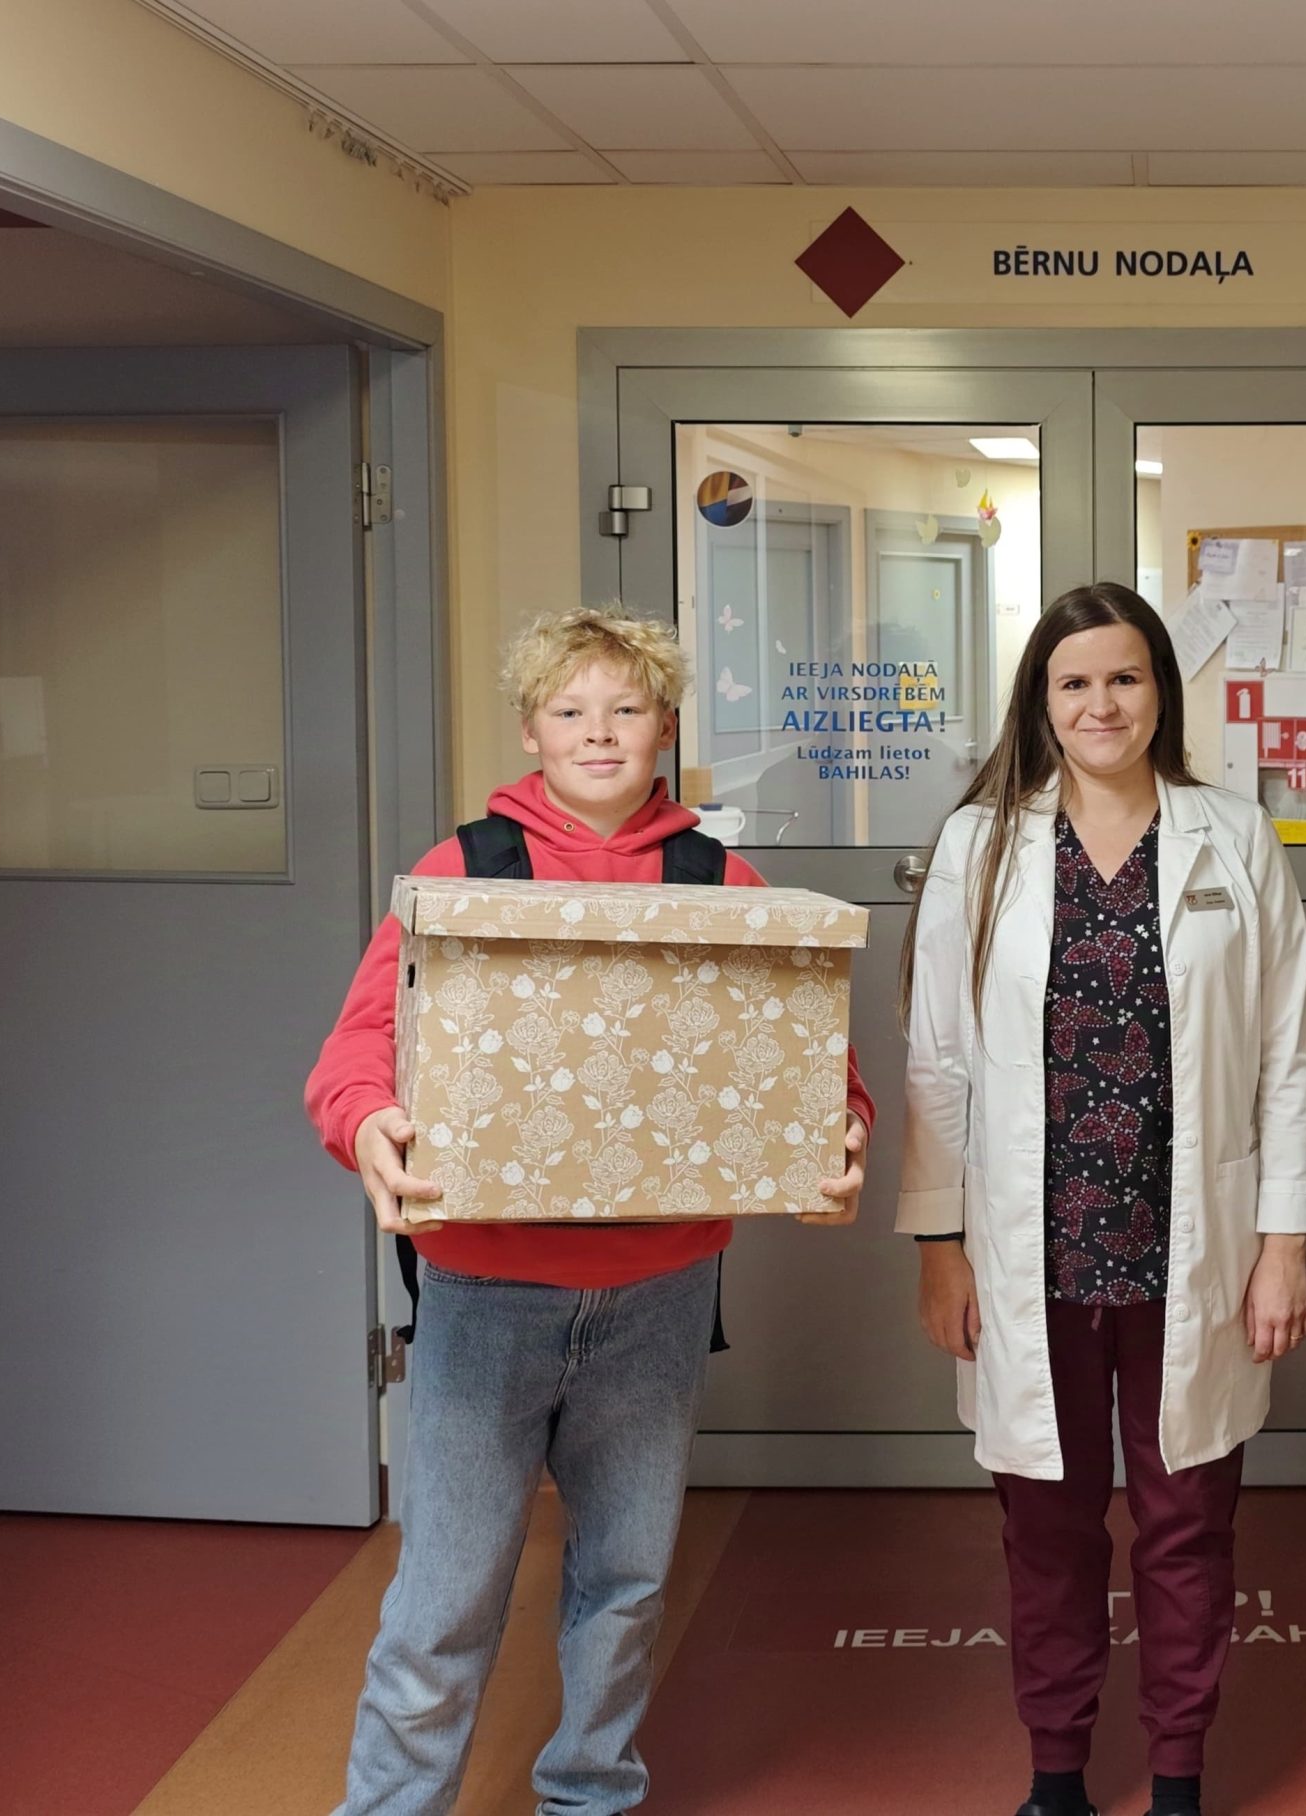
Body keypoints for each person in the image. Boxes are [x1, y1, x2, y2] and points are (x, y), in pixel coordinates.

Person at [303, 606, 875, 1816]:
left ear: (665, 726)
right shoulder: (462, 871)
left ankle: (591, 1794)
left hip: (659, 1293)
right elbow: (357, 1047)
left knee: (624, 1583)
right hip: (484, 1288)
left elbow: (810, 1052)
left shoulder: (719, 880)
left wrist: (841, 1132)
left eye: (625, 708)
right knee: (445, 1593)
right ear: (532, 730)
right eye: (571, 710)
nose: (599, 731)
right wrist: (366, 1119)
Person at [899, 582, 1306, 1816]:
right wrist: (939, 1246)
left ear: (1160, 693)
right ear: (1041, 701)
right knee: (1048, 1529)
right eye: (1075, 681)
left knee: (1187, 1523)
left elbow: (1287, 1053)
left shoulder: (1232, 835)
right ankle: (1057, 1777)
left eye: (1125, 677)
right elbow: (936, 1058)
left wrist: (1285, 1244)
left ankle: (1179, 1772)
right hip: (1028, 1248)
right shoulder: (982, 843)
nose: (1102, 704)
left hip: (1192, 1243)